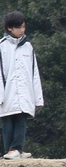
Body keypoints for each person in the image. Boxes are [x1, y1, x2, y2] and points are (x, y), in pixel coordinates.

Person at [0, 11, 43, 159]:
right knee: (7, 122)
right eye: (19, 27)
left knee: (21, 120)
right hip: (7, 92)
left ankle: (17, 148)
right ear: (10, 28)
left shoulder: (28, 47)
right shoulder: (2, 47)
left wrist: (38, 98)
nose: (22, 30)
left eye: (23, 27)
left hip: (25, 91)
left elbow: (34, 72)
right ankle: (10, 150)